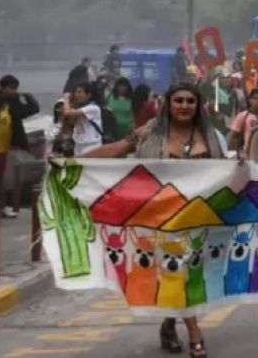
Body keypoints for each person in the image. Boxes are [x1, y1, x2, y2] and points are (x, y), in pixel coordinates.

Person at [82, 83, 226, 358]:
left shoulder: (211, 136)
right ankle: (195, 334)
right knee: (178, 271)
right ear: (168, 104)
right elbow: (113, 152)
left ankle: (169, 325)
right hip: (160, 218)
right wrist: (72, 163)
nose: (184, 106)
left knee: (189, 275)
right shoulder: (149, 133)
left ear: (198, 105)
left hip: (199, 218)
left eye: (190, 101)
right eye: (178, 100)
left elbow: (226, 171)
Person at [0, 75, 40, 220]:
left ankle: (2, 207)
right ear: (2, 88)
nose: (14, 91)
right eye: (11, 88)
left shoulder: (14, 105)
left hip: (2, 149)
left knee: (0, 180)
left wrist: (27, 95)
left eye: (15, 88)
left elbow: (34, 108)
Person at [60, 82, 105, 155]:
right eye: (76, 92)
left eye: (79, 92)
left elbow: (67, 112)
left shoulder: (93, 108)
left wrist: (66, 98)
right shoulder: (80, 108)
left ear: (88, 95)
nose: (77, 95)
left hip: (92, 144)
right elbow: (71, 122)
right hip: (79, 143)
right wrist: (70, 105)